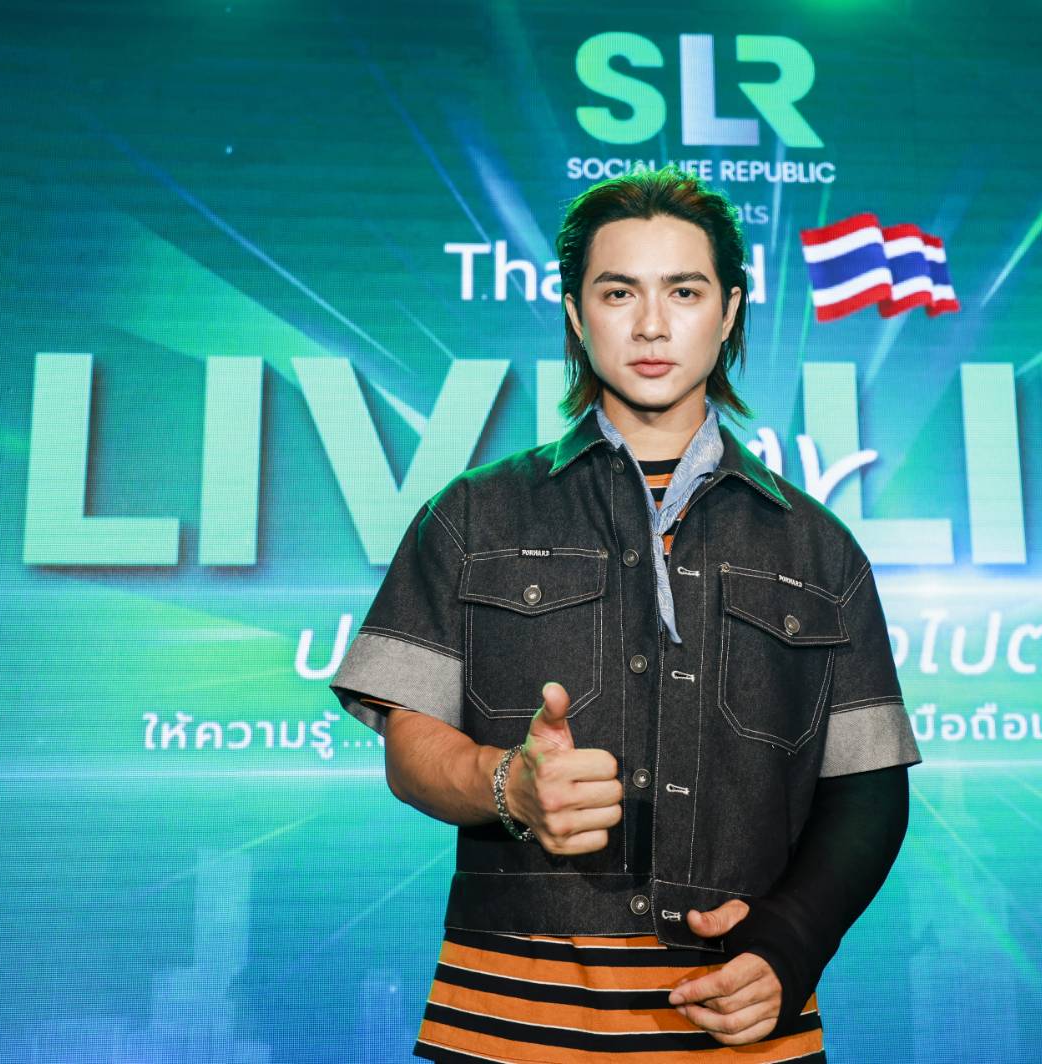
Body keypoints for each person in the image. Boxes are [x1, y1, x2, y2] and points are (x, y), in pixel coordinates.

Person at [330, 165, 920, 1061]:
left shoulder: (820, 548)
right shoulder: (472, 514)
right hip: (507, 1033)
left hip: (740, 1031)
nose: (650, 324)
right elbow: (410, 747)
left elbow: (868, 791)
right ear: (576, 314)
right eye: (618, 292)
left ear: (728, 311)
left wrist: (791, 942)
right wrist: (508, 783)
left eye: (683, 291)